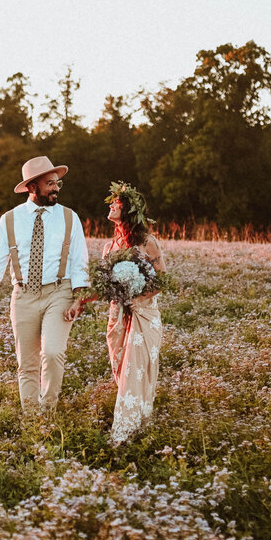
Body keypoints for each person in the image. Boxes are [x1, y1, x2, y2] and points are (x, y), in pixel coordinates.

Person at [0, 156, 90, 415]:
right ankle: (33, 421)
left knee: (53, 353)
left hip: (60, 291)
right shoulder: (10, 220)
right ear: (32, 187)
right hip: (23, 296)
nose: (56, 188)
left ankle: (49, 409)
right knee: (27, 364)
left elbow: (80, 263)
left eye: (57, 183)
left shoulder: (70, 218)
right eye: (49, 183)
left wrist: (79, 299)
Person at [101, 183, 166, 445]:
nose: (110, 205)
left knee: (134, 370)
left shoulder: (148, 243)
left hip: (142, 314)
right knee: (121, 369)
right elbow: (103, 285)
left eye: (115, 202)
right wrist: (78, 302)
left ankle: (122, 434)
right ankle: (140, 427)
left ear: (127, 208)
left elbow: (161, 281)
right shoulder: (109, 247)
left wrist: (135, 298)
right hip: (118, 315)